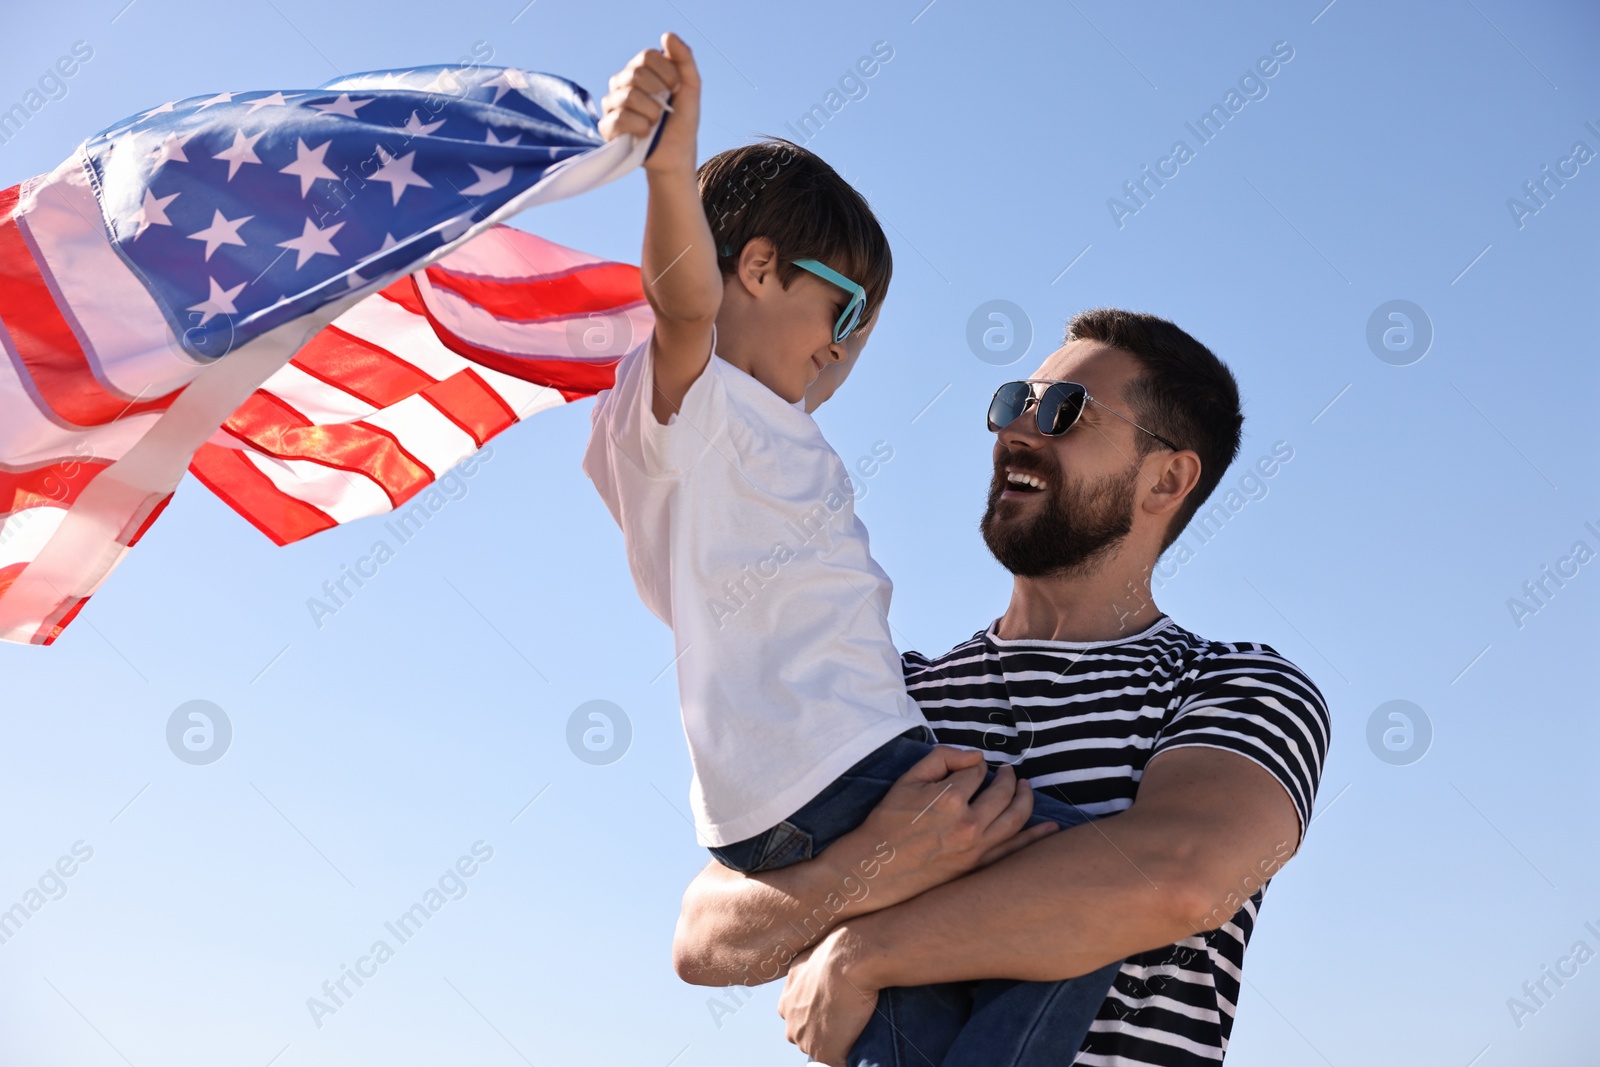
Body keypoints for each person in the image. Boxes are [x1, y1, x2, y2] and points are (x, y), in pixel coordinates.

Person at [584, 33, 1124, 1067]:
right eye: (846, 312)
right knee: (1083, 875)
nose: (843, 351)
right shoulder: (699, 408)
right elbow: (681, 302)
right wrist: (669, 166)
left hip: (771, 805)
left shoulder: (727, 430)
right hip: (842, 766)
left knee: (909, 1008)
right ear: (753, 266)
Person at [670, 310, 1333, 1066]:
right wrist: (865, 867)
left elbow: (1179, 875)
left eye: (1062, 412)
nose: (1018, 431)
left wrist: (863, 952)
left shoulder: (1232, 685)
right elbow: (703, 936)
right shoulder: (895, 693)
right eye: (1014, 403)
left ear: (1166, 479)